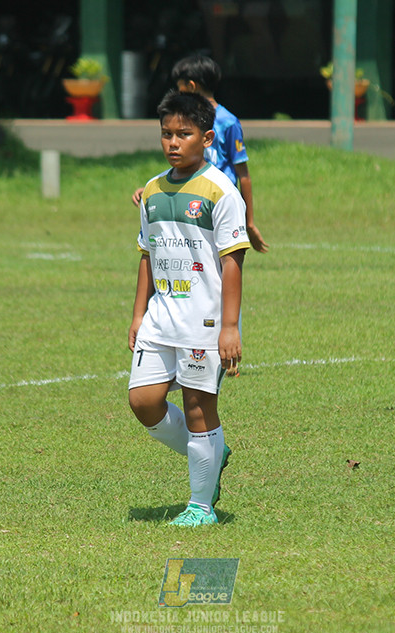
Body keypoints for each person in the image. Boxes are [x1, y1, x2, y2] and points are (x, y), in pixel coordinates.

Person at [127, 90, 250, 526]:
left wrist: (229, 327)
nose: (173, 143)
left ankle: (200, 505)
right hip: (160, 317)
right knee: (143, 401)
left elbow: (233, 262)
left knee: (199, 408)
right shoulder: (153, 191)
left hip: (204, 321)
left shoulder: (221, 192)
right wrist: (138, 314)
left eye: (184, 134)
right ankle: (213, 452)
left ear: (207, 138)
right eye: (167, 134)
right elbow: (147, 255)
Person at [133, 54, 268, 254]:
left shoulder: (228, 122)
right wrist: (154, 191)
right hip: (192, 202)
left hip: (218, 204)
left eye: (179, 87)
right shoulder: (180, 121)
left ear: (191, 86)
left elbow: (243, 174)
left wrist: (249, 223)